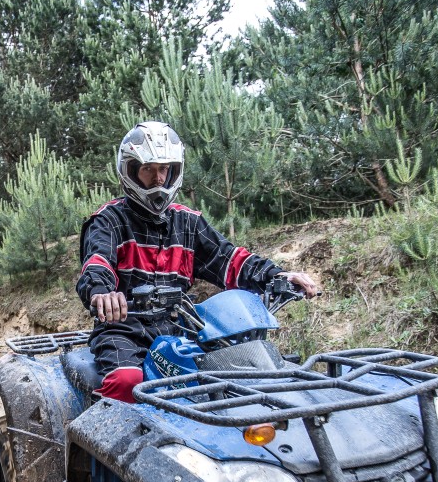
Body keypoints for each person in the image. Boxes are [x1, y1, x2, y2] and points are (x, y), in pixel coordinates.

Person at [77, 120, 322, 403]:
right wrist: (102, 293)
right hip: (124, 330)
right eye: (148, 169)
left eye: (164, 169)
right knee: (126, 381)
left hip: (183, 329)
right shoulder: (108, 221)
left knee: (237, 374)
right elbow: (97, 263)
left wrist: (278, 276)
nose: (158, 179)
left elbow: (230, 260)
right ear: (130, 171)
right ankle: (98, 440)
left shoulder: (189, 222)